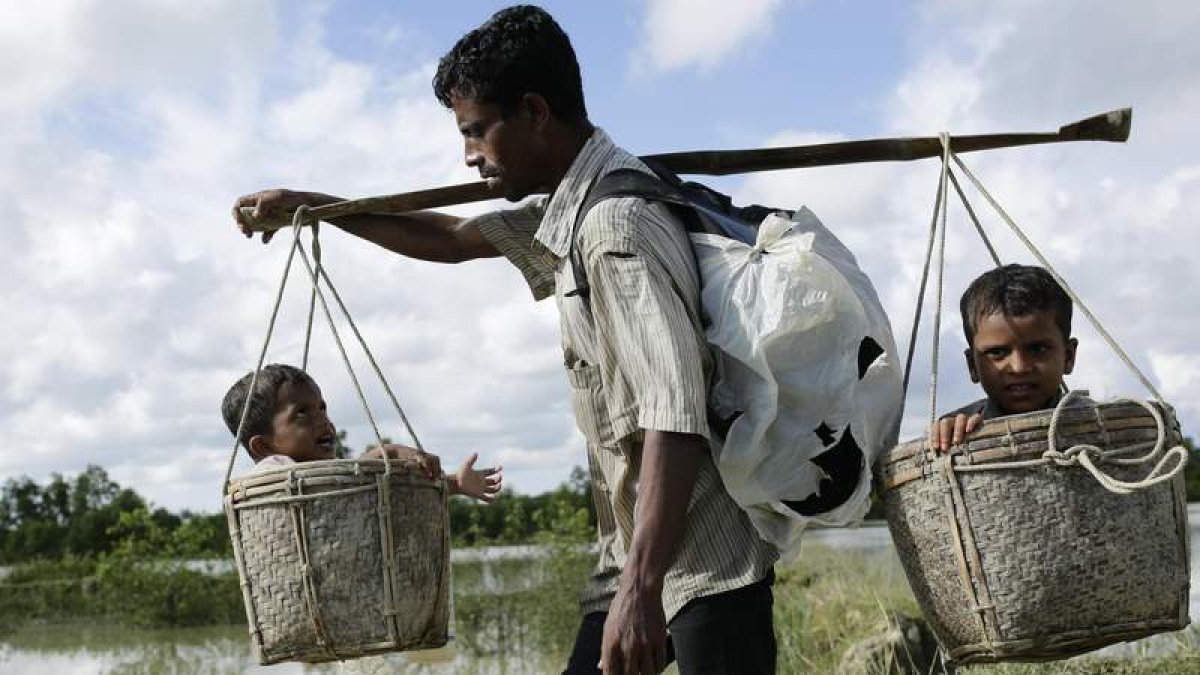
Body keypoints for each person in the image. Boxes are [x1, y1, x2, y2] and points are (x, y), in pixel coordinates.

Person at [232, 6, 779, 674]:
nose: (467, 155)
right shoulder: (567, 211)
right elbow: (450, 239)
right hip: (636, 558)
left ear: (534, 111)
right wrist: (315, 206)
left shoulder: (615, 229)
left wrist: (641, 588)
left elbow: (675, 416)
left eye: (475, 131)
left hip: (699, 566)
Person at [222, 363, 502, 501]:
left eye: (322, 408)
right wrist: (386, 452)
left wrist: (453, 484)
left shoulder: (324, 473)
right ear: (263, 447)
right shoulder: (272, 471)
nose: (324, 421)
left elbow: (356, 477)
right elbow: (351, 478)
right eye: (303, 413)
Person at [929, 264, 1078, 452]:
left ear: (1068, 356)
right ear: (972, 365)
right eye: (998, 353)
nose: (1019, 367)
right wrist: (949, 437)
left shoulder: (1107, 424)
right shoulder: (957, 432)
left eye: (1038, 349)